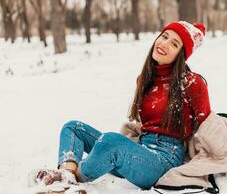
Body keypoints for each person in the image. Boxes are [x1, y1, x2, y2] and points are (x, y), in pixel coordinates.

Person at [36, 21, 210, 190]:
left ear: (181, 54)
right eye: (164, 36)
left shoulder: (191, 82)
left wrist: (211, 163)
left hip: (164, 161)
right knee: (73, 128)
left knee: (112, 141)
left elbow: (207, 126)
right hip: (139, 151)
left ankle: (72, 182)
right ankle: (66, 173)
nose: (164, 44)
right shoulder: (145, 80)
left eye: (174, 44)